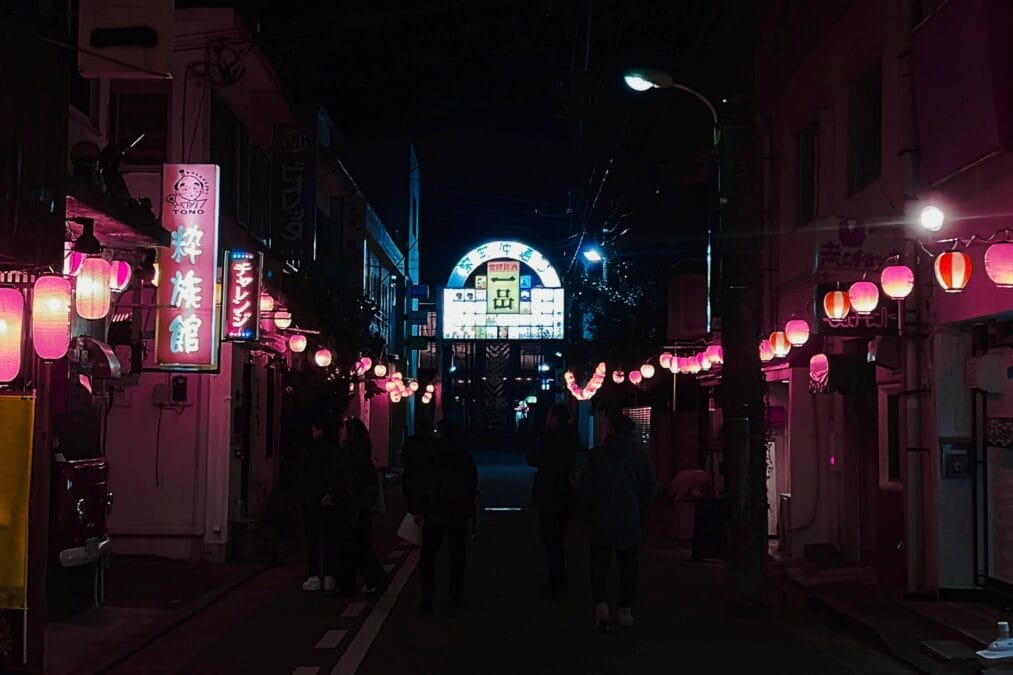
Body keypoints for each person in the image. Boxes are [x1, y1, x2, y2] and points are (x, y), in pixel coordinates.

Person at [577, 410, 657, 632]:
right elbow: (649, 491)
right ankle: (624, 609)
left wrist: (584, 514)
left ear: (611, 430)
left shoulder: (597, 456)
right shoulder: (640, 458)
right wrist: (642, 517)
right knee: (629, 566)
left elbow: (586, 490)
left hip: (601, 518)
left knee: (599, 566)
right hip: (629, 518)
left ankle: (601, 608)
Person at [404, 418, 477, 613]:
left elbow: (420, 482)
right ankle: (454, 594)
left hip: (434, 511)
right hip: (457, 512)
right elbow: (471, 483)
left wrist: (417, 508)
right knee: (457, 556)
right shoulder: (463, 456)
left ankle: (428, 592)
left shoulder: (430, 454)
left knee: (428, 555)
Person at [325, 417, 388, 596]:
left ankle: (364, 581)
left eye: (344, 430)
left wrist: (337, 496)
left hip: (351, 507)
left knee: (353, 546)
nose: (341, 433)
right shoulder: (362, 454)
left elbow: (345, 480)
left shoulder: (350, 455)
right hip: (357, 506)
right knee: (358, 545)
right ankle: (363, 581)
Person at [525, 403, 579, 601]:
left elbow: (531, 457)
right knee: (559, 538)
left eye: (549, 415)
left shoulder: (548, 438)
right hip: (566, 493)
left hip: (548, 493)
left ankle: (557, 579)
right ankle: (559, 577)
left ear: (554, 418)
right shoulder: (573, 438)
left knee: (550, 539)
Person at [297, 412, 338, 592]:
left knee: (312, 539)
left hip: (312, 499)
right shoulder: (334, 449)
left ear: (318, 429)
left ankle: (314, 575)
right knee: (330, 538)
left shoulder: (310, 450)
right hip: (329, 499)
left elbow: (303, 475)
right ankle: (329, 576)